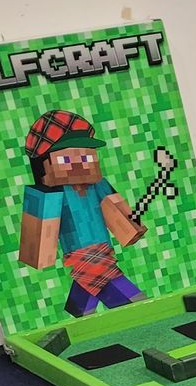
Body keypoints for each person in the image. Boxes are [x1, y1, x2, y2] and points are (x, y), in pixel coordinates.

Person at [17, 110, 145, 316]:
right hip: (82, 256)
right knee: (134, 302)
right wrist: (38, 252)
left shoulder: (98, 185)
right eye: (66, 159)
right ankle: (131, 316)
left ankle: (77, 313)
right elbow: (39, 237)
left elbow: (116, 211)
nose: (78, 163)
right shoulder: (51, 193)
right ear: (45, 164)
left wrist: (132, 228)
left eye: (86, 156)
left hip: (104, 252)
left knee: (87, 295)